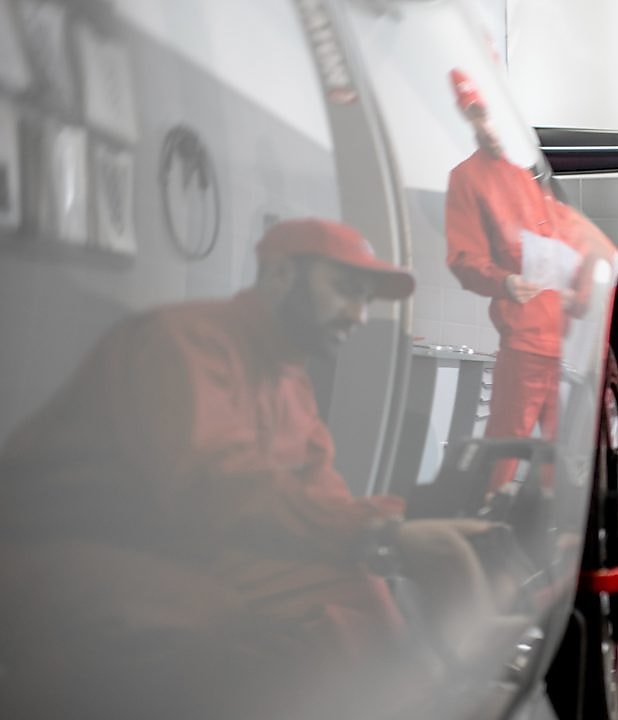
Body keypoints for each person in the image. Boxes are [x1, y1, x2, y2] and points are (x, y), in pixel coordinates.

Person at [0, 218, 512, 719]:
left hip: (182, 541)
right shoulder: (184, 339)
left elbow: (320, 493)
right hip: (65, 545)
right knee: (226, 620)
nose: (358, 315)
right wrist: (380, 533)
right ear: (280, 275)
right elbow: (217, 485)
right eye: (345, 290)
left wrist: (406, 529)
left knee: (357, 595)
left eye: (365, 299)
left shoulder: (288, 376)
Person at [444, 68, 597, 492]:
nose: (490, 126)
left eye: (495, 114)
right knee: (505, 452)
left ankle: (553, 539)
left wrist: (578, 290)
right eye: (479, 115)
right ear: (469, 118)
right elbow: (463, 257)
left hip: (563, 346)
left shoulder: (526, 178)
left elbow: (569, 253)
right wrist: (508, 283)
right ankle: (486, 519)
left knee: (561, 461)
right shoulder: (468, 179)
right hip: (524, 346)